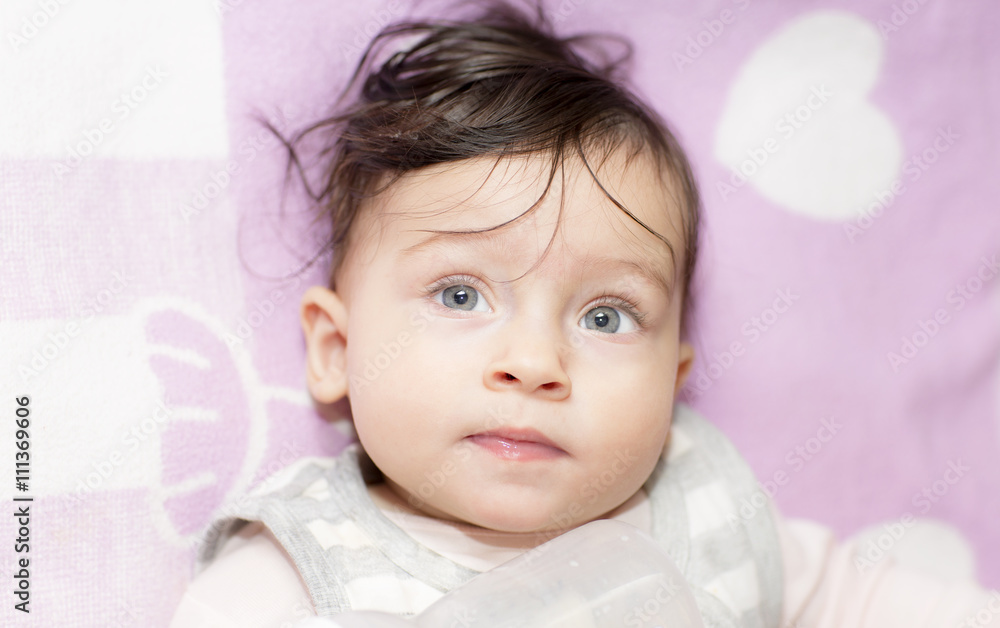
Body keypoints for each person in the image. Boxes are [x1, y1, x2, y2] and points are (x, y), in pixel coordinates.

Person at [170, 2, 999, 626]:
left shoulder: (706, 510)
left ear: (673, 379)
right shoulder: (298, 574)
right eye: (461, 295)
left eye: (606, 317)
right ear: (336, 349)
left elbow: (867, 602)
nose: (534, 363)